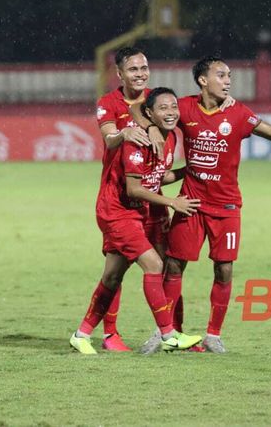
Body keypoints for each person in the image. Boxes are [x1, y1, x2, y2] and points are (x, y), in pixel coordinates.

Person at [132, 56, 271, 353]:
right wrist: (152, 128)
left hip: (227, 207)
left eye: (229, 75)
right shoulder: (185, 107)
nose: (228, 80)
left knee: (224, 269)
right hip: (190, 202)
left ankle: (213, 335)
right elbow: (138, 109)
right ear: (203, 80)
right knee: (174, 264)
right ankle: (166, 332)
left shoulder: (240, 113)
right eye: (221, 74)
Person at [70, 87, 203, 354]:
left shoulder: (171, 139)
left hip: (135, 211)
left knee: (112, 276)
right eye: (163, 108)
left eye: (173, 107)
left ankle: (81, 334)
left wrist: (187, 171)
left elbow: (157, 177)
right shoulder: (136, 140)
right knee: (153, 263)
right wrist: (172, 202)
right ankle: (169, 335)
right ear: (149, 113)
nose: (171, 113)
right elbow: (134, 189)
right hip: (118, 210)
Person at [89, 46, 153, 351]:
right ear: (120, 74)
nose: (140, 74)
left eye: (143, 68)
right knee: (120, 270)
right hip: (118, 198)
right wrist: (123, 134)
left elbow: (183, 112)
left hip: (150, 196)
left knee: (161, 265)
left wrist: (221, 102)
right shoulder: (108, 103)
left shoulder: (155, 99)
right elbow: (109, 137)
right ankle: (111, 333)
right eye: (133, 69)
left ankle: (169, 331)